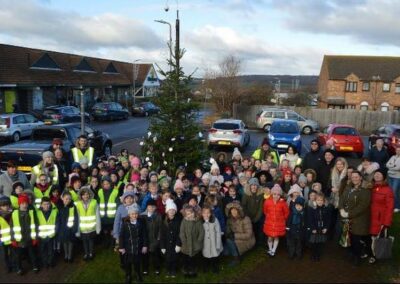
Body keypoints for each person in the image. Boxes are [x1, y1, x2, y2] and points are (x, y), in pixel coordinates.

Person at [339, 171, 371, 266]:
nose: (354, 179)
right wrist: (341, 209)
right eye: (353, 177)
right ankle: (352, 254)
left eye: (356, 177)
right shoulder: (349, 187)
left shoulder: (365, 190)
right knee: (349, 237)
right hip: (347, 218)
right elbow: (342, 198)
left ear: (361, 177)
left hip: (359, 219)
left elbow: (362, 206)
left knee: (356, 239)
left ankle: (357, 259)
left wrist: (348, 214)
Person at [368, 169, 394, 264]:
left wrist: (386, 223)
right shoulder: (371, 187)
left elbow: (390, 208)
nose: (377, 176)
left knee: (376, 238)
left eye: (379, 174)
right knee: (369, 237)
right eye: (376, 174)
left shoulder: (388, 190)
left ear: (384, 177)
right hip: (369, 216)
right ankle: (369, 252)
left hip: (379, 219)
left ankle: (375, 255)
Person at [11, 194, 40, 275]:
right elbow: (12, 227)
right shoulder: (14, 214)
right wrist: (13, 239)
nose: (25, 205)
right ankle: (19, 268)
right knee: (18, 256)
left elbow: (36, 225)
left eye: (26, 203)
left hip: (30, 239)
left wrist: (35, 237)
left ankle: (35, 266)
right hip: (19, 240)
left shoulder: (31, 212)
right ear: (19, 204)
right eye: (23, 203)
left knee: (32, 254)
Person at [119, 204, 148, 284]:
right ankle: (128, 275)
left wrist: (145, 246)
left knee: (137, 262)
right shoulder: (125, 224)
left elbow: (144, 235)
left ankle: (138, 274)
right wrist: (121, 247)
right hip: (128, 247)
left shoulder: (141, 223)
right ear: (129, 215)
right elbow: (121, 236)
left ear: (137, 214)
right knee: (128, 263)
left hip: (138, 246)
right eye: (132, 214)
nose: (134, 215)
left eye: (135, 214)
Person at [224, 201, 255, 266]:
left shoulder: (246, 219)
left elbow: (248, 235)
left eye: (235, 210)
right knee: (225, 252)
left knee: (229, 241)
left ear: (239, 210)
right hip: (235, 239)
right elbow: (228, 229)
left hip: (247, 240)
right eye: (232, 210)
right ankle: (235, 250)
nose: (233, 212)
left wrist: (234, 235)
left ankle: (236, 259)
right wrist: (227, 233)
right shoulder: (229, 219)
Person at [263, 184, 289, 257]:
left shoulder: (283, 203)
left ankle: (273, 250)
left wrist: (283, 218)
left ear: (280, 195)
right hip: (269, 223)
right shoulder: (267, 202)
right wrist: (269, 216)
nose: (276, 196)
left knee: (276, 237)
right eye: (274, 194)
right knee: (270, 237)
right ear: (272, 194)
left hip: (279, 223)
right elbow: (265, 211)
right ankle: (270, 249)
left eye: (278, 194)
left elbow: (286, 212)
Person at [75, 186, 101, 261]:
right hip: (82, 229)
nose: (85, 196)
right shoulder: (78, 204)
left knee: (91, 241)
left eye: (87, 194)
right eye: (83, 194)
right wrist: (77, 230)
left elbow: (97, 215)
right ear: (81, 196)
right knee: (84, 242)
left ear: (90, 194)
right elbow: (78, 217)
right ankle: (86, 253)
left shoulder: (94, 202)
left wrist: (98, 228)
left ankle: (91, 253)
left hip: (92, 228)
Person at [179, 205, 204, 278]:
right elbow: (182, 232)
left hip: (195, 245)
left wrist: (198, 241)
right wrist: (184, 241)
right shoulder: (184, 221)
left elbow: (201, 232)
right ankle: (186, 270)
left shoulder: (198, 221)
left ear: (194, 213)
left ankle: (193, 271)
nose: (190, 215)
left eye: (191, 213)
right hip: (186, 245)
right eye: (188, 214)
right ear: (185, 215)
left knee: (194, 260)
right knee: (186, 259)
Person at [160, 200, 181, 278]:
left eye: (173, 210)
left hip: (175, 243)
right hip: (167, 244)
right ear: (167, 211)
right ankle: (168, 270)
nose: (171, 212)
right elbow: (162, 235)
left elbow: (180, 233)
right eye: (170, 210)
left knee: (174, 258)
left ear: (175, 211)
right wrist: (162, 246)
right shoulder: (164, 222)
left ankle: (173, 270)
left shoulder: (178, 221)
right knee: (167, 258)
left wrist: (178, 244)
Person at [141, 199, 162, 276]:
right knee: (145, 255)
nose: (151, 208)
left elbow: (160, 228)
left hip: (155, 239)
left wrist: (158, 238)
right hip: (145, 239)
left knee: (155, 255)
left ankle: (157, 268)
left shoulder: (158, 216)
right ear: (147, 207)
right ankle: (145, 268)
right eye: (150, 207)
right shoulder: (142, 216)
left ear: (155, 207)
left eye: (153, 207)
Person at [97, 176, 120, 248]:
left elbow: (118, 204)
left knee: (112, 231)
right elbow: (98, 202)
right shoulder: (100, 191)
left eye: (107, 184)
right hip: (103, 217)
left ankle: (112, 243)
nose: (106, 185)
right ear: (102, 185)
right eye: (104, 184)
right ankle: (106, 242)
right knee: (105, 231)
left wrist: (117, 215)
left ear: (110, 184)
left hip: (112, 217)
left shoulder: (115, 192)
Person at [241, 177, 265, 245]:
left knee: (259, 229)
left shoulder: (260, 194)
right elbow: (244, 206)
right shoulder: (246, 194)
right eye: (252, 185)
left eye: (255, 185)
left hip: (257, 216)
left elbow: (261, 208)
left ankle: (259, 242)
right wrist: (248, 217)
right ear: (250, 186)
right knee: (250, 230)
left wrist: (256, 218)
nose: (254, 187)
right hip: (248, 216)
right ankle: (251, 243)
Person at [308, 193, 331, 262]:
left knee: (320, 243)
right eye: (318, 200)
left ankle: (318, 255)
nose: (320, 201)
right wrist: (313, 228)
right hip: (315, 229)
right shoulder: (312, 209)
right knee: (313, 243)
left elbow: (328, 219)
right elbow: (310, 219)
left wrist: (326, 228)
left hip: (322, 229)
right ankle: (313, 255)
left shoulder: (326, 209)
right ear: (315, 201)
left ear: (324, 201)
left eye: (321, 200)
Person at [36, 197, 58, 268]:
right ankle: (45, 263)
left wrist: (55, 232)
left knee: (51, 251)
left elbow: (57, 223)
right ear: (41, 205)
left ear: (50, 204)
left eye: (48, 204)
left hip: (51, 236)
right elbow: (36, 224)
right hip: (41, 236)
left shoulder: (54, 212)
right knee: (42, 251)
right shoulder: (37, 213)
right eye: (44, 204)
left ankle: (50, 262)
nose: (46, 206)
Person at [57, 190, 78, 263]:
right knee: (65, 242)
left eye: (69, 199)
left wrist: (75, 228)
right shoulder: (60, 208)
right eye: (66, 199)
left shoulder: (73, 207)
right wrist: (58, 228)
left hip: (71, 229)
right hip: (63, 229)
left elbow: (76, 218)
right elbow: (58, 219)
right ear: (62, 198)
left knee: (70, 242)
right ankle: (66, 255)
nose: (68, 200)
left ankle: (70, 255)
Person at [201, 206, 223, 274]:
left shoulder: (214, 220)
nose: (206, 215)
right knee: (206, 256)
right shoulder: (200, 221)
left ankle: (215, 268)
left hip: (214, 242)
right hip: (205, 243)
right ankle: (206, 267)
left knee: (214, 256)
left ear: (211, 213)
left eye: (208, 213)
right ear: (202, 214)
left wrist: (218, 244)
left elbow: (218, 232)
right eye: (204, 213)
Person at [0, 196, 13, 273]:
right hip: (3, 240)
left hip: (12, 238)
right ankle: (8, 267)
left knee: (13, 254)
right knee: (4, 255)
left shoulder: (13, 213)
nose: (6, 207)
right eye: (3, 205)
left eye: (7, 205)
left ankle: (13, 265)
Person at [386, 146, 400, 212]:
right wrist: (393, 166)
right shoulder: (393, 157)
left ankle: (397, 206)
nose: (398, 151)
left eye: (399, 150)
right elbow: (387, 164)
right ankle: (391, 205)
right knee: (390, 192)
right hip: (390, 176)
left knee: (394, 192)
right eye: (397, 150)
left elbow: (398, 168)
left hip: (397, 177)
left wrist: (391, 167)